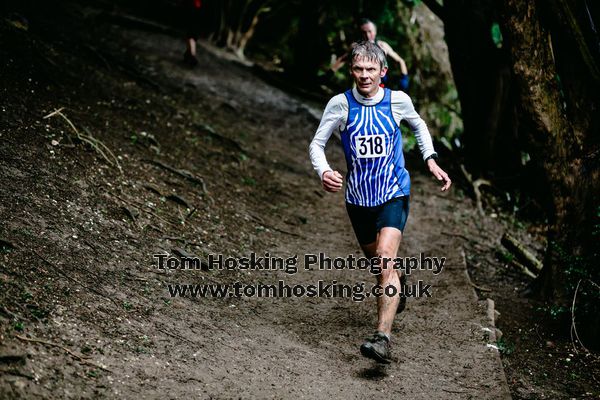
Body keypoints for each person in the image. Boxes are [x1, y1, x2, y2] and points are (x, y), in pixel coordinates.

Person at [308, 41, 451, 363]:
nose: (364, 75)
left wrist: (429, 158)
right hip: (358, 199)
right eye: (358, 69)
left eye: (371, 69)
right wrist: (324, 170)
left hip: (393, 192)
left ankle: (382, 338)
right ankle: (398, 280)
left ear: (383, 72)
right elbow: (317, 145)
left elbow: (419, 125)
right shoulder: (339, 105)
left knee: (385, 258)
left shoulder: (397, 101)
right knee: (380, 266)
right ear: (351, 71)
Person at [331, 19, 410, 91]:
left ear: (375, 31)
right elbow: (342, 59)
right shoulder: (355, 47)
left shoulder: (382, 45)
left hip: (381, 82)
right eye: (364, 32)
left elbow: (400, 61)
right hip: (360, 81)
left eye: (370, 31)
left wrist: (404, 79)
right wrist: (329, 73)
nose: (367, 35)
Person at [182, 0, 202, 67]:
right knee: (191, 36)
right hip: (197, 16)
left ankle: (192, 56)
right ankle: (188, 54)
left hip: (194, 15)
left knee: (191, 36)